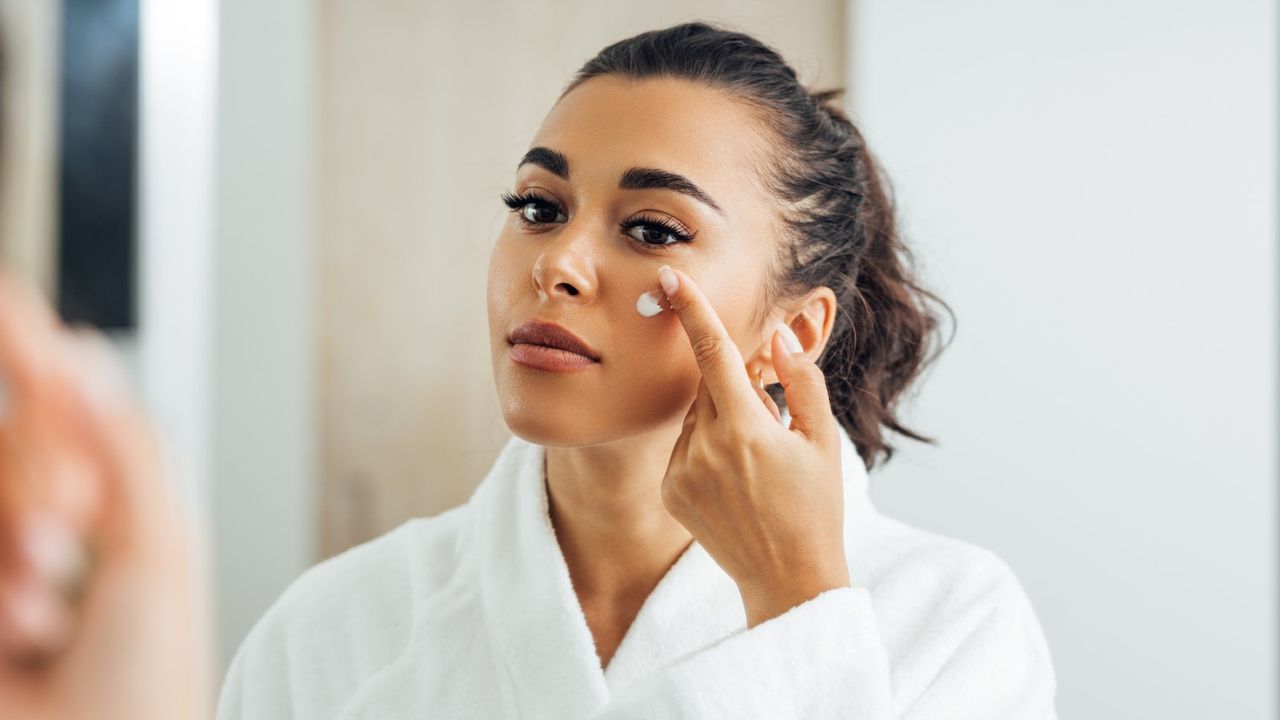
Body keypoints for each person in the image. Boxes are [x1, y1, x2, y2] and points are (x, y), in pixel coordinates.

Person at [0, 20, 1058, 719]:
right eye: (538, 209)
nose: (555, 262)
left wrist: (794, 610)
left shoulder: (945, 626)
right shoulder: (339, 629)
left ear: (794, 324)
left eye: (650, 228)